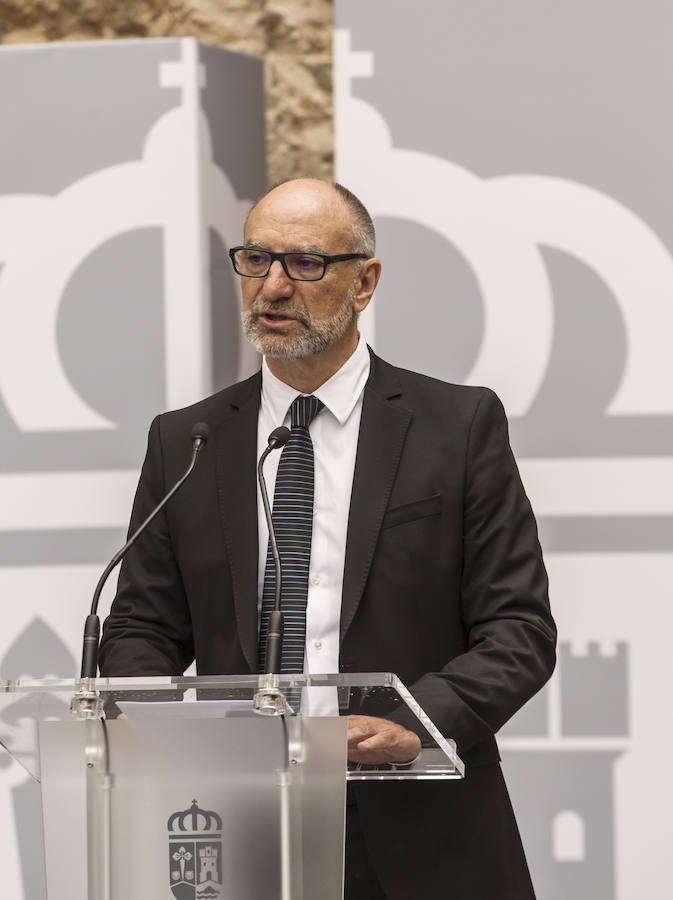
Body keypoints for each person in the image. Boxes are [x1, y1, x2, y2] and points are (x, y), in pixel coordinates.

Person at [99, 178, 556, 899]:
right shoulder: (189, 440)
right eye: (255, 260)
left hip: (421, 831)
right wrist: (161, 728)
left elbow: (518, 630)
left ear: (364, 281)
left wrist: (416, 721)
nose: (273, 287)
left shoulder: (454, 428)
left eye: (304, 264)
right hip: (239, 827)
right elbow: (141, 627)